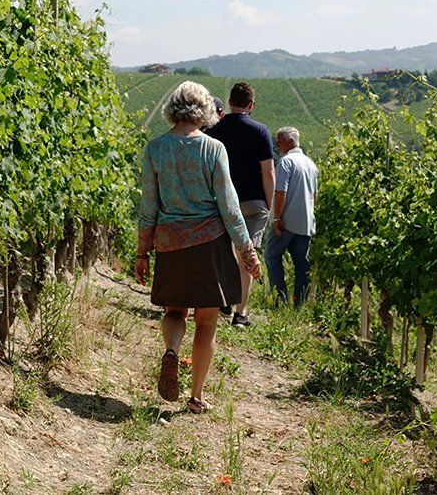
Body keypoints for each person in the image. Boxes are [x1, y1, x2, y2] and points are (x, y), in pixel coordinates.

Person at [135, 81, 262, 413]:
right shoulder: (213, 149)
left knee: (174, 311)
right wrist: (247, 250)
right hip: (210, 244)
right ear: (204, 110)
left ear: (172, 109)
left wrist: (141, 252)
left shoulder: (155, 149)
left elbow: (149, 205)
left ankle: (172, 350)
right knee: (206, 323)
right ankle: (196, 398)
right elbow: (229, 206)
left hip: (170, 243)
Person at [204, 82, 274, 327]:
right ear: (251, 105)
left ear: (230, 102)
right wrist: (269, 203)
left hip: (222, 201)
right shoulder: (261, 131)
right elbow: (269, 173)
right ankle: (241, 313)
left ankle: (226, 301)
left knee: (226, 253)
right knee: (247, 255)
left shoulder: (214, 129)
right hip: (254, 201)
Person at [264, 126, 319, 306]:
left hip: (287, 221)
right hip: (306, 223)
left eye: (279, 141)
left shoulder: (286, 162)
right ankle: (299, 303)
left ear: (289, 142)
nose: (277, 145)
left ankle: (279, 299)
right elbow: (314, 195)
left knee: (272, 255)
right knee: (302, 265)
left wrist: (277, 218)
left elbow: (280, 192)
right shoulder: (311, 164)